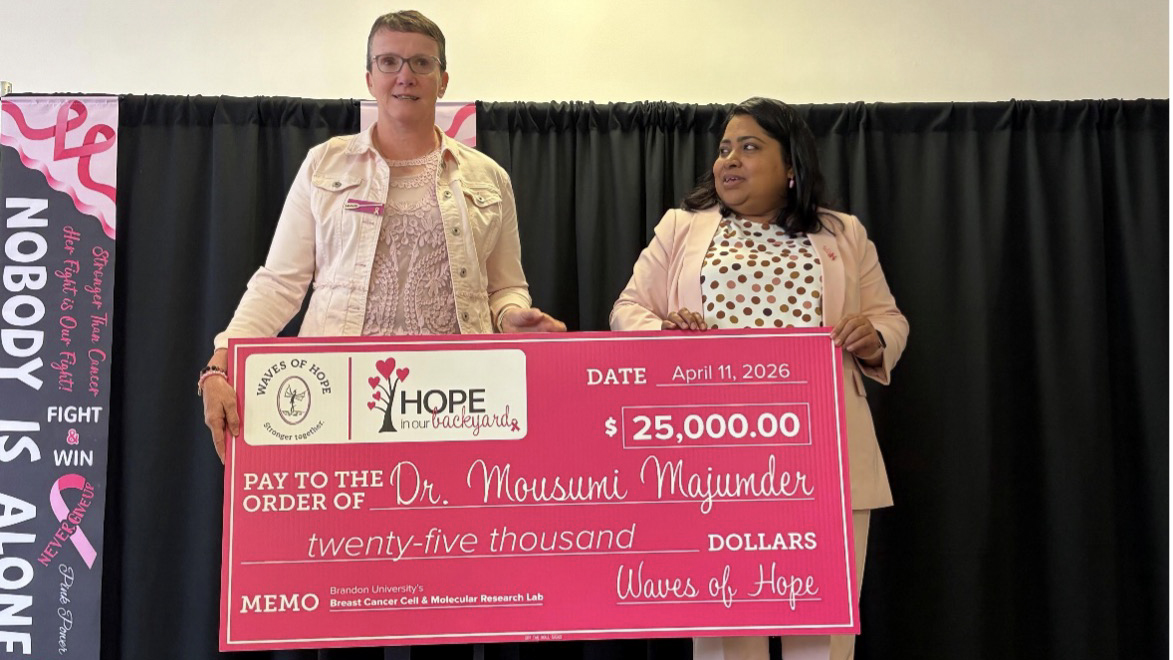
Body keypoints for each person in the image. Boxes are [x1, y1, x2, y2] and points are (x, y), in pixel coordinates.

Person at [610, 97, 908, 660]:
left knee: (820, 627)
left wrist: (874, 336)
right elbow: (627, 311)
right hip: (715, 454)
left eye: (749, 147)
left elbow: (890, 319)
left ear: (790, 165)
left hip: (825, 453)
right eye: (724, 149)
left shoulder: (842, 234)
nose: (730, 161)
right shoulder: (682, 228)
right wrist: (668, 336)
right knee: (727, 625)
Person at [200, 10, 564, 460]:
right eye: (389, 62)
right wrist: (222, 359)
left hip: (456, 397)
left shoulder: (489, 179)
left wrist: (511, 315)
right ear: (370, 77)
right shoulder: (323, 165)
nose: (405, 76)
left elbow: (507, 286)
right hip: (338, 396)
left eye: (421, 64)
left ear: (443, 80)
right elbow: (280, 282)